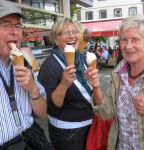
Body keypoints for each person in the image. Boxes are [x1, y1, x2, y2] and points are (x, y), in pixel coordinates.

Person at [86, 15, 144, 150]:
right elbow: (106, 113)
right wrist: (96, 87)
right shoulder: (118, 74)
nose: (128, 46)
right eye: (124, 40)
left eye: (135, 40)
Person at [0, 1, 53, 149]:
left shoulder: (25, 62)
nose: (15, 32)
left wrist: (32, 89)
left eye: (18, 26)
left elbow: (42, 113)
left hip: (30, 139)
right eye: (6, 25)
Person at [38, 17, 94, 150]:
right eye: (66, 33)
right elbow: (50, 108)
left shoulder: (82, 59)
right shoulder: (50, 65)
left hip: (91, 127)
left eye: (74, 31)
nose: (72, 36)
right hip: (68, 134)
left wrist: (96, 85)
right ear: (56, 40)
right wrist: (64, 84)